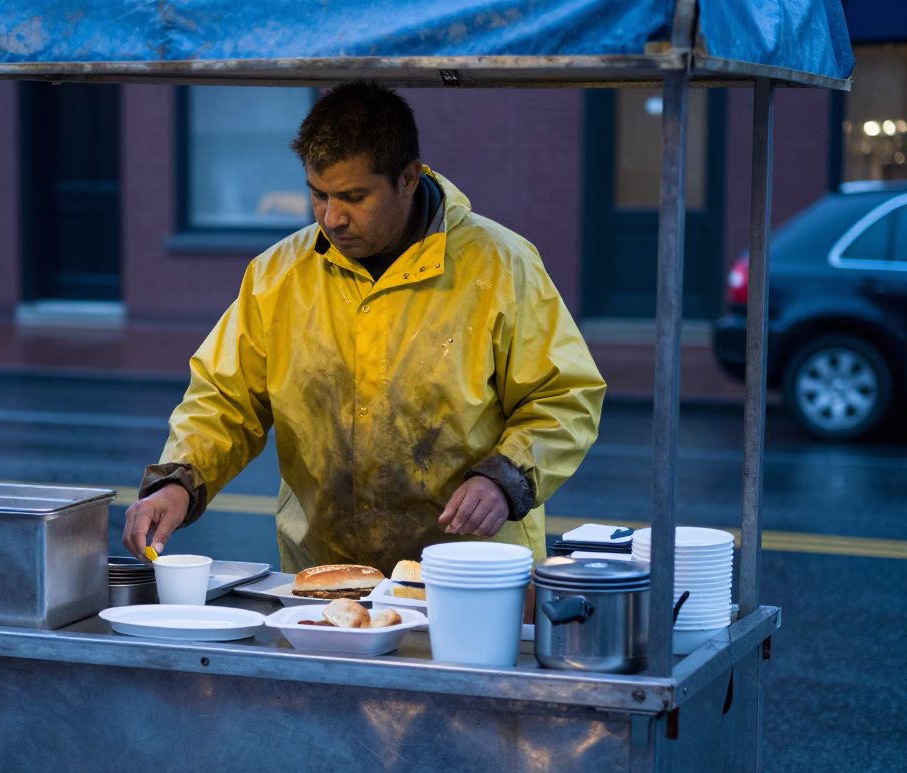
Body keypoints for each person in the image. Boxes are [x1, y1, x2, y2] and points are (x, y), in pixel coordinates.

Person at [123, 81, 605, 575]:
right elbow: (224, 399)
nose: (333, 218)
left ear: (408, 178)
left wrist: (505, 479)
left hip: (473, 576)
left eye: (354, 197)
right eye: (318, 195)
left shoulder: (501, 267)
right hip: (324, 577)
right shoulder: (278, 276)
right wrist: (179, 481)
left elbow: (564, 397)